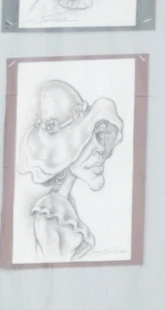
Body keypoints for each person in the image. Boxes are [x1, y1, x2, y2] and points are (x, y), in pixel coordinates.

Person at [20, 79, 124, 263]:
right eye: (86, 139)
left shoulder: (67, 202)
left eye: (97, 136)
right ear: (66, 151)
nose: (100, 150)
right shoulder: (49, 213)